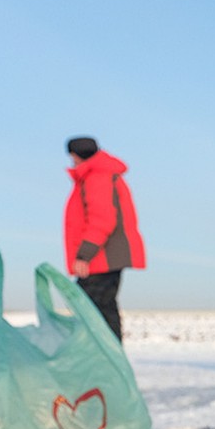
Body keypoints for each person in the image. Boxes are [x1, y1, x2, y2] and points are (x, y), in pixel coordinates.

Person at [63, 136, 146, 342]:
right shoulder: (100, 175)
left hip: (102, 258)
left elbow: (102, 219)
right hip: (103, 257)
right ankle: (108, 363)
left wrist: (84, 255)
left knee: (91, 309)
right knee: (101, 308)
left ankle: (106, 363)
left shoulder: (97, 177)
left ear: (76, 155)